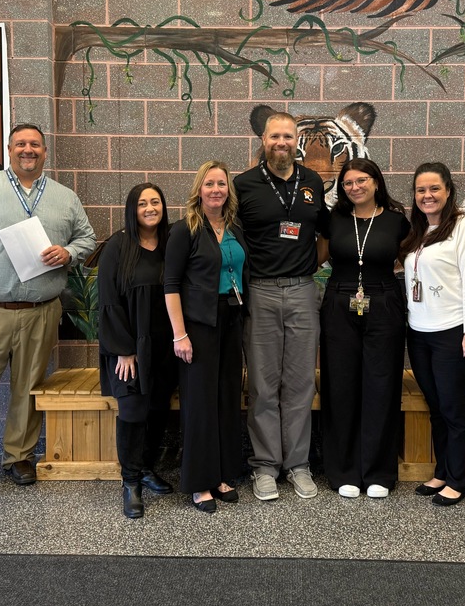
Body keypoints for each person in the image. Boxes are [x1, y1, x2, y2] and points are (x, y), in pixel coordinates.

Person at [0, 123, 96, 502]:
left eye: (35, 145)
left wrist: (69, 253)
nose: (29, 150)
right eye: (21, 144)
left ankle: (19, 457)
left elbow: (87, 237)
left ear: (45, 151)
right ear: (8, 150)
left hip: (41, 311)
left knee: (29, 387)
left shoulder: (64, 197)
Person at [234, 111, 328, 501]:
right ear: (263, 140)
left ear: (296, 141)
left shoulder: (312, 182)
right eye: (275, 136)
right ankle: (266, 466)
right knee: (263, 384)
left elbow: (323, 233)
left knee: (301, 383)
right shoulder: (244, 184)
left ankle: (298, 465)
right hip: (261, 292)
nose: (282, 143)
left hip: (303, 291)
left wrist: (309, 265)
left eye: (288, 136)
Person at [401, 163, 465, 507]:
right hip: (421, 332)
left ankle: (459, 479)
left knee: (456, 409)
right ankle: (442, 471)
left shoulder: (464, 229)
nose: (427, 196)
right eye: (421, 190)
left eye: (434, 189)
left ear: (449, 191)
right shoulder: (419, 231)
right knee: (436, 407)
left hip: (457, 332)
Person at [319, 158, 409, 499]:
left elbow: (412, 261)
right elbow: (316, 257)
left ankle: (378, 472)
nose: (354, 187)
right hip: (340, 301)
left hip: (384, 302)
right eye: (347, 183)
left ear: (375, 182)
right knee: (340, 385)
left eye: (361, 180)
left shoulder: (397, 221)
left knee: (381, 385)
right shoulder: (335, 220)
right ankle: (343, 469)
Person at [164, 161, 248, 513]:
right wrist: (179, 335)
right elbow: (170, 285)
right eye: (209, 183)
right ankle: (200, 483)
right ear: (199, 190)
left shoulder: (234, 228)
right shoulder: (185, 230)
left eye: (222, 184)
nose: (216, 189)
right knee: (200, 403)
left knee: (227, 399)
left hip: (231, 320)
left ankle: (223, 474)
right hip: (197, 325)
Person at [98, 183, 177, 519]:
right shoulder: (118, 246)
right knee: (132, 411)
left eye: (155, 202)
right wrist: (124, 351)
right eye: (142, 203)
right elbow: (108, 302)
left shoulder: (172, 244)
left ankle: (145, 468)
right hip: (129, 348)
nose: (149, 208)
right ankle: (130, 481)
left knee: (158, 409)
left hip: (165, 347)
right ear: (133, 209)